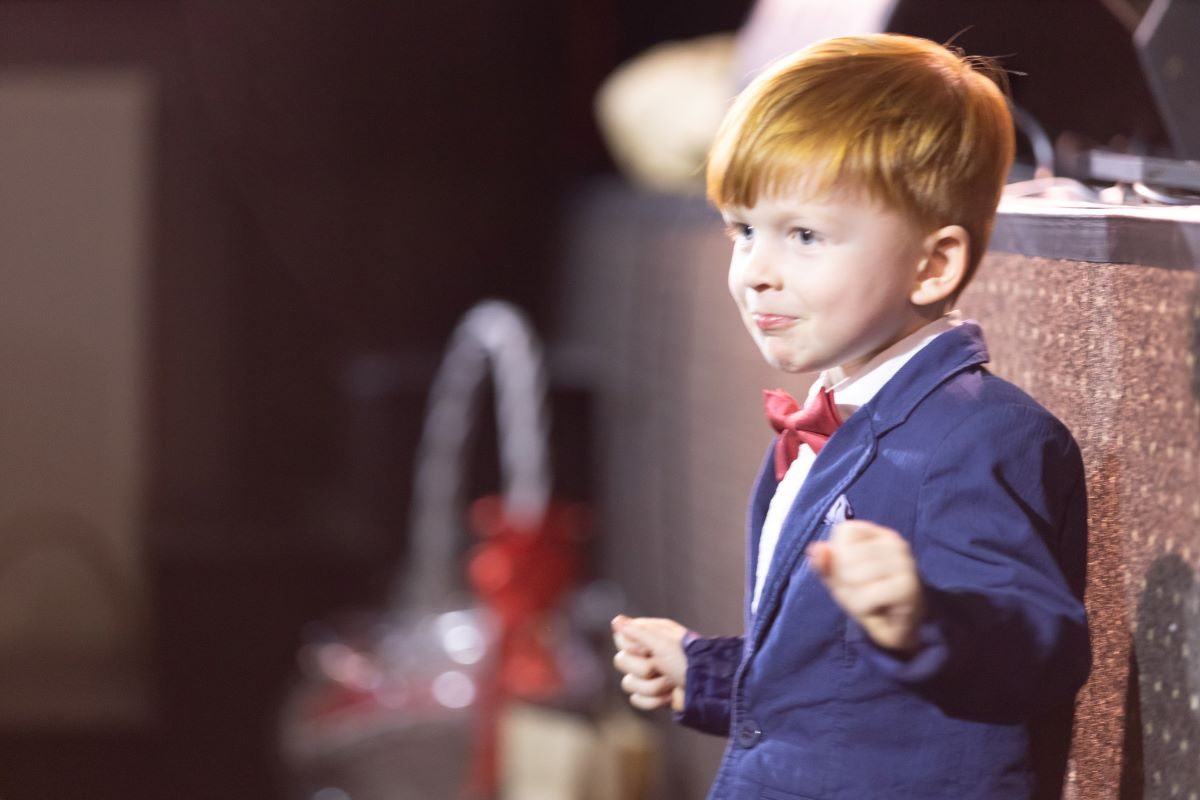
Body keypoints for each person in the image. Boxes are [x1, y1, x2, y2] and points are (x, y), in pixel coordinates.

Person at [610, 33, 1090, 800]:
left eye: (804, 235)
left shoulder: (982, 437)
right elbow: (844, 691)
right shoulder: (835, 416)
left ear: (933, 264)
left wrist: (925, 618)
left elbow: (1037, 650)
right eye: (742, 230)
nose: (756, 272)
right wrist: (705, 674)